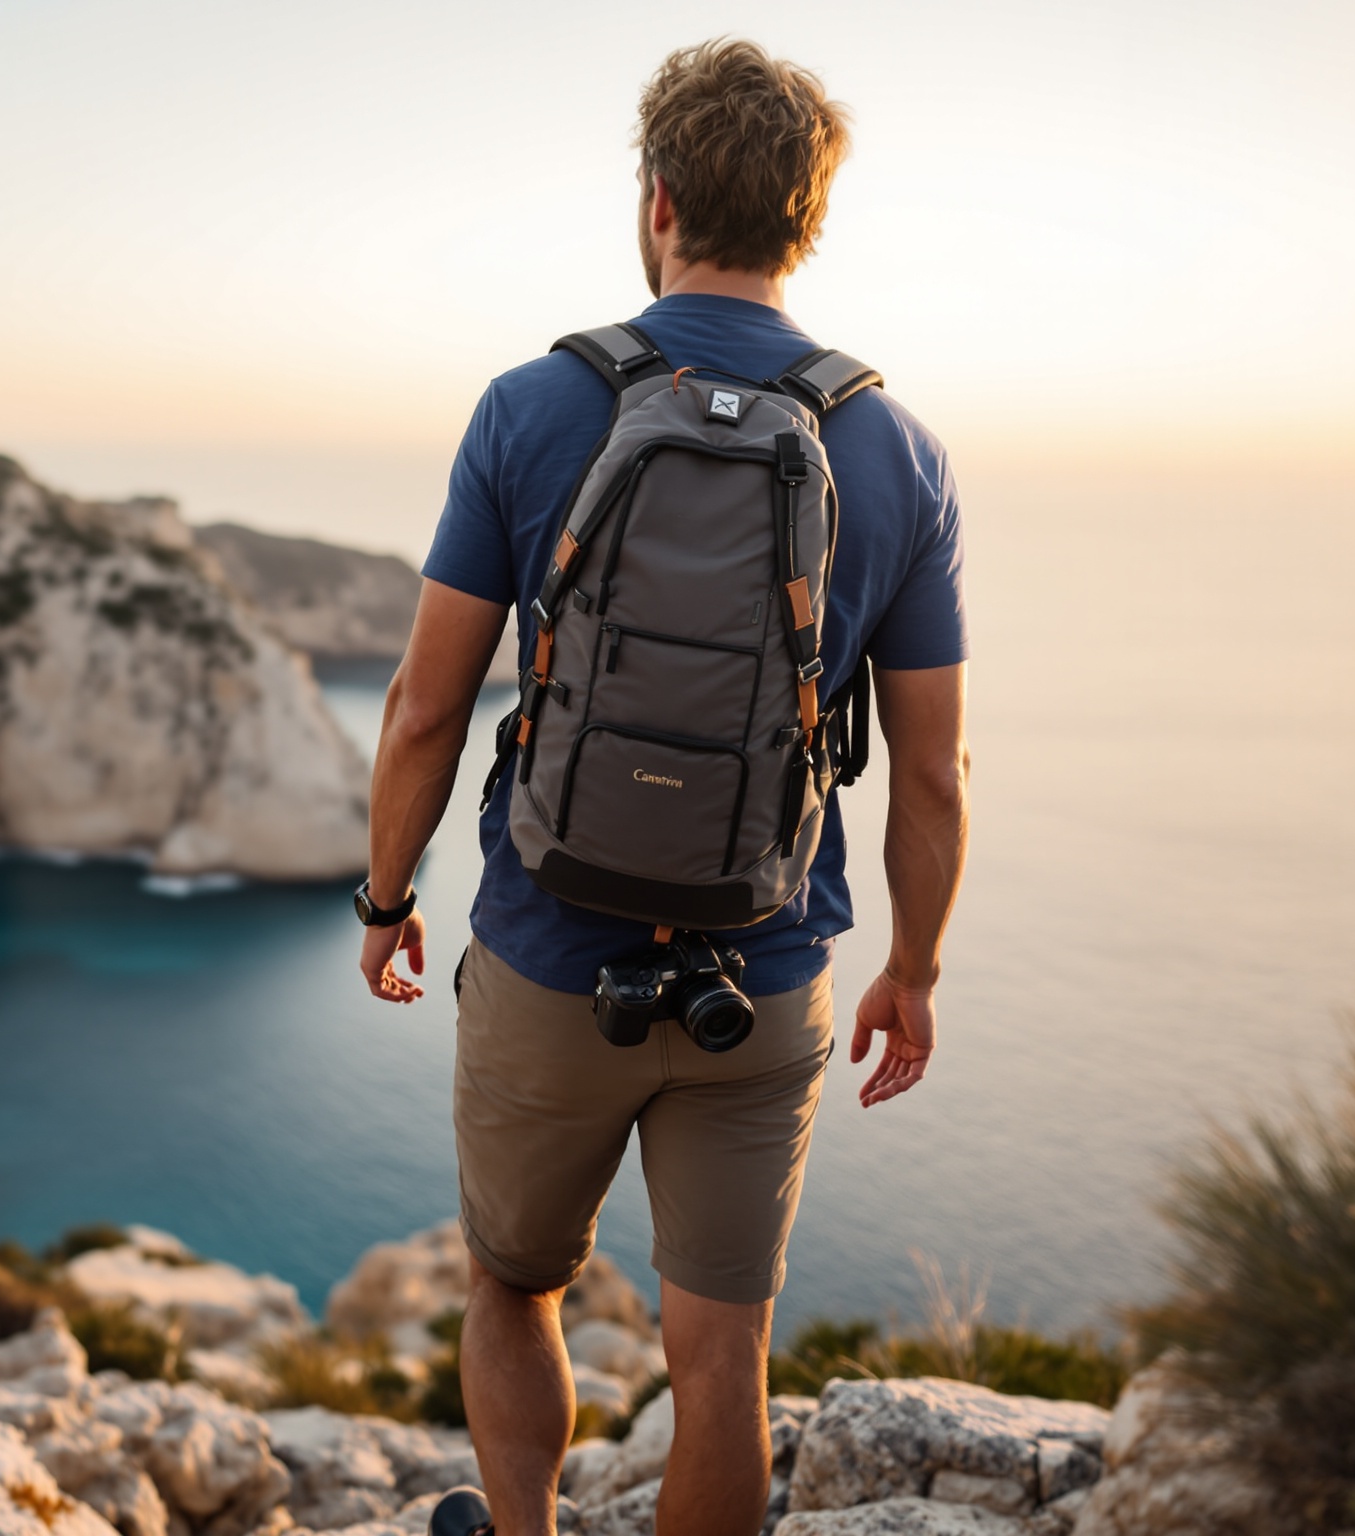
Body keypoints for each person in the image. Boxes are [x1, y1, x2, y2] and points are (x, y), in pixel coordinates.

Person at [349, 38, 971, 1536]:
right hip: (761, 981)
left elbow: (430, 707)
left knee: (510, 1282)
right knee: (724, 1360)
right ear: (808, 219)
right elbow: (936, 773)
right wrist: (914, 968)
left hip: (552, 954)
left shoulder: (531, 407)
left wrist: (384, 899)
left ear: (659, 201)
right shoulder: (894, 448)